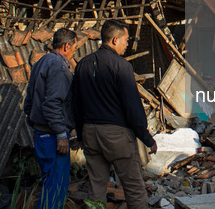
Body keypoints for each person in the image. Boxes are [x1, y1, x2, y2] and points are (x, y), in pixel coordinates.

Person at [72, 19, 157, 209]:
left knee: (96, 189)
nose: (128, 44)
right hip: (116, 135)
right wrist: (146, 138)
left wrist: (80, 133)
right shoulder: (121, 66)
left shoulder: (83, 65)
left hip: (90, 133)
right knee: (134, 188)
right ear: (115, 40)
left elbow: (75, 104)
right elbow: (132, 107)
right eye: (127, 39)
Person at [24, 28, 78, 209]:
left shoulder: (41, 62)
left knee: (49, 184)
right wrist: (61, 133)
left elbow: (29, 101)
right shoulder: (58, 66)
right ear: (66, 46)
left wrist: (34, 126)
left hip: (42, 134)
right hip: (53, 136)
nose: (73, 53)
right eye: (74, 48)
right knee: (56, 186)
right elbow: (52, 103)